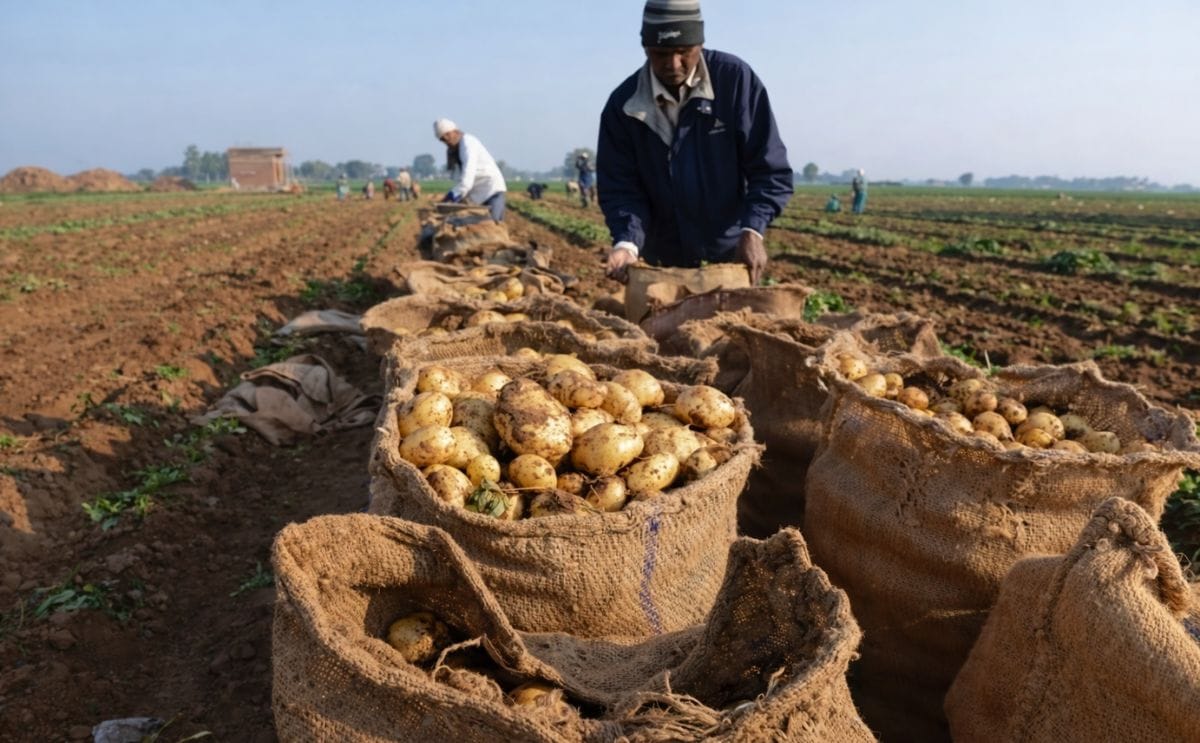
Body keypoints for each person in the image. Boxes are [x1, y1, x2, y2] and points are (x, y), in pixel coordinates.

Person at [597, 0, 792, 285]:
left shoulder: (735, 82)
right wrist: (627, 243)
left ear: (700, 43)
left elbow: (770, 171)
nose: (673, 64)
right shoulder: (624, 106)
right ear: (645, 48)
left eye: (683, 51)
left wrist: (753, 230)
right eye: (661, 53)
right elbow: (620, 188)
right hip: (660, 265)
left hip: (729, 260)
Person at [433, 118, 507, 222]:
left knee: (493, 223)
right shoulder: (456, 150)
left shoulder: (468, 144)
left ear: (455, 131)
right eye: (443, 140)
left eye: (447, 136)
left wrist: (450, 197)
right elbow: (460, 179)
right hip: (476, 195)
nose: (446, 141)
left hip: (491, 191)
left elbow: (467, 180)